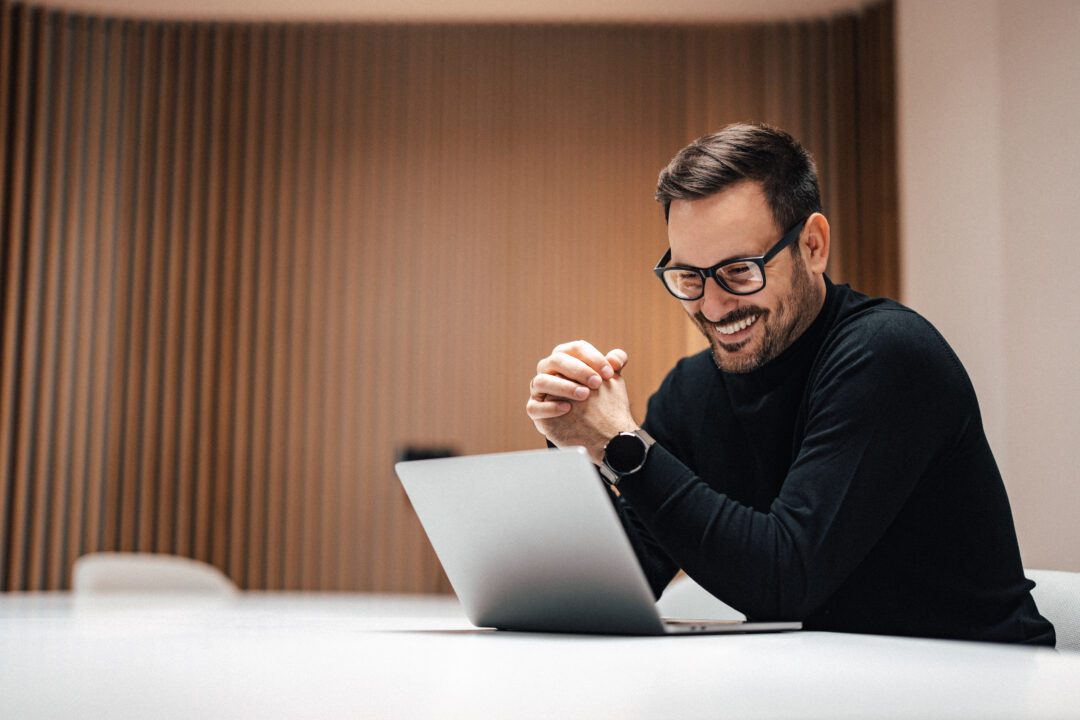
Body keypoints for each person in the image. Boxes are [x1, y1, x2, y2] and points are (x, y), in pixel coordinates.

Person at [525, 123, 1055, 646]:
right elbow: (621, 578)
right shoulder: (693, 390)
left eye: (739, 271)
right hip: (824, 684)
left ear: (813, 246)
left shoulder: (887, 356)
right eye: (689, 277)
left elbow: (786, 579)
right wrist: (574, 439)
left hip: (975, 684)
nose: (711, 306)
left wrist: (624, 447)